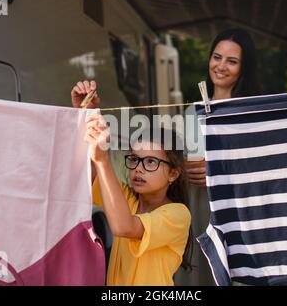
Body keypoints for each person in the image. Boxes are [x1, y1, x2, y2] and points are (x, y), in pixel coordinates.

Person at [71, 80, 193, 286]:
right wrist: (88, 115)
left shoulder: (178, 214)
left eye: (151, 162)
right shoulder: (127, 198)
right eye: (135, 159)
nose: (138, 168)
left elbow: (124, 227)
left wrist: (103, 160)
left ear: (173, 174)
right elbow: (85, 178)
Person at [176, 28, 262, 285]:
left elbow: (265, 169)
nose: (221, 66)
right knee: (199, 277)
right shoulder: (191, 112)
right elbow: (181, 163)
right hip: (197, 212)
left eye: (232, 61)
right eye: (217, 57)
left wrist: (218, 171)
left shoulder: (251, 114)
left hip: (238, 219)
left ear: (244, 68)